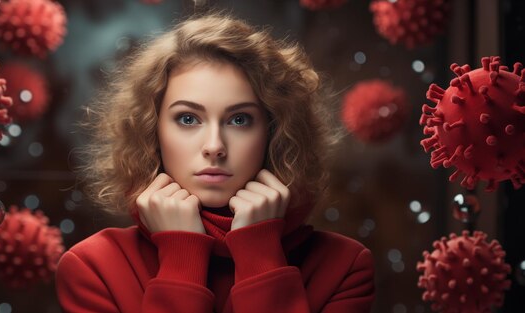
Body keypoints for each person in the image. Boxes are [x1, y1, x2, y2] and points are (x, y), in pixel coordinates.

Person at [56, 12, 375, 313]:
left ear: (274, 131)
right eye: (187, 118)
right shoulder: (93, 267)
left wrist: (261, 255)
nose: (214, 147)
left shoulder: (343, 266)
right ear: (153, 131)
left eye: (239, 119)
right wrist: (182, 254)